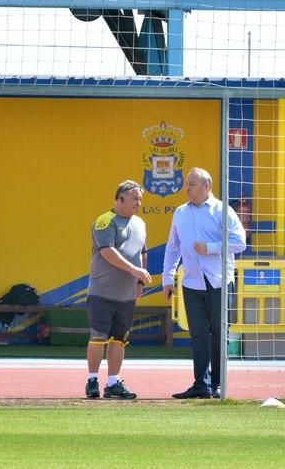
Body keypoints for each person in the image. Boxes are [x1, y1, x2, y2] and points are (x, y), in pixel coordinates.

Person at [163, 168, 247, 399]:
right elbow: (172, 247)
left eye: (191, 184)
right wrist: (167, 278)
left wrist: (210, 248)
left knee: (219, 333)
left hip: (218, 280)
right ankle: (201, 384)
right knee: (198, 334)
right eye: (186, 184)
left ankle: (217, 384)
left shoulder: (222, 210)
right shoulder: (180, 213)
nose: (186, 188)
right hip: (191, 281)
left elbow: (240, 242)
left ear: (206, 186)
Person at [85, 180, 152, 399]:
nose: (139, 203)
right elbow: (107, 252)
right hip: (102, 292)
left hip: (126, 295)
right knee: (98, 337)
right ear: (120, 198)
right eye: (135, 198)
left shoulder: (140, 223)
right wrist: (135, 271)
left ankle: (113, 383)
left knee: (119, 339)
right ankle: (92, 381)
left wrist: (140, 281)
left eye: (140, 199)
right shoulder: (105, 221)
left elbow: (142, 253)